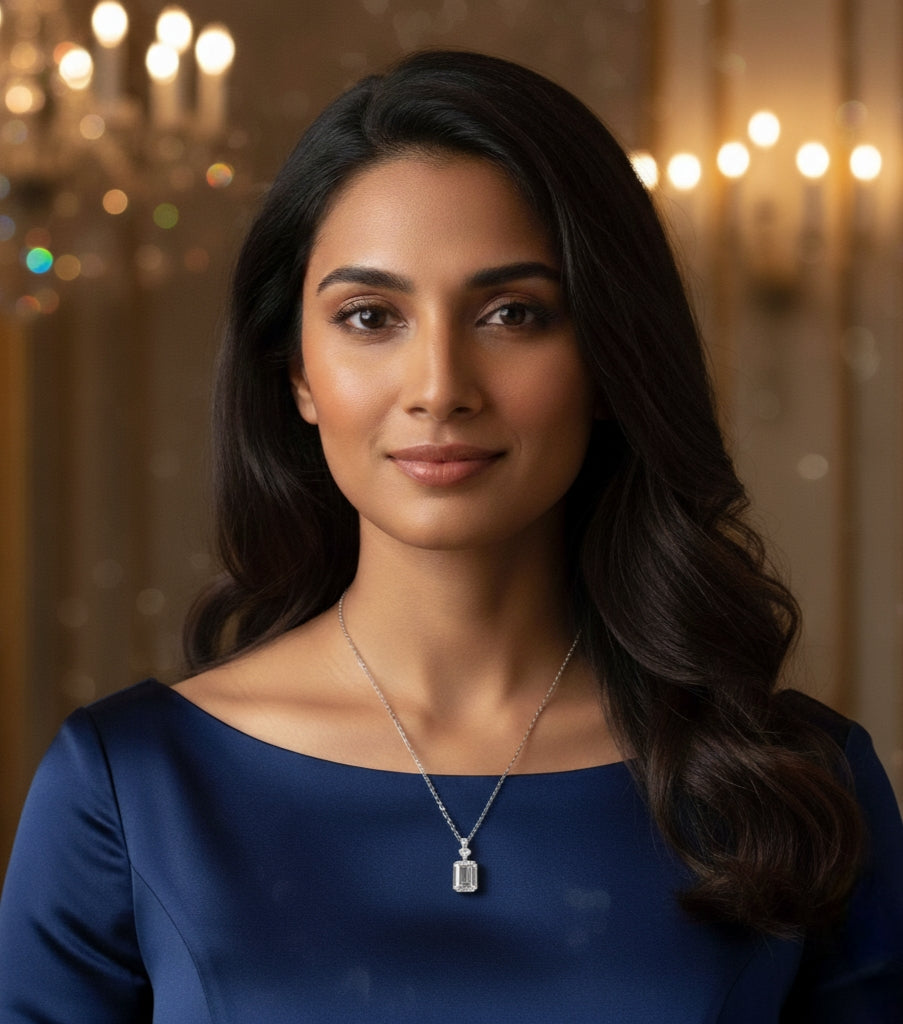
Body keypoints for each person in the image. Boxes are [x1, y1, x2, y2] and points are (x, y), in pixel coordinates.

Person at [1, 49, 901, 1023]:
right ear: (297, 374)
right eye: (370, 316)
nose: (439, 385)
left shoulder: (796, 780)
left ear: (607, 356)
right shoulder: (131, 786)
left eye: (513, 313)